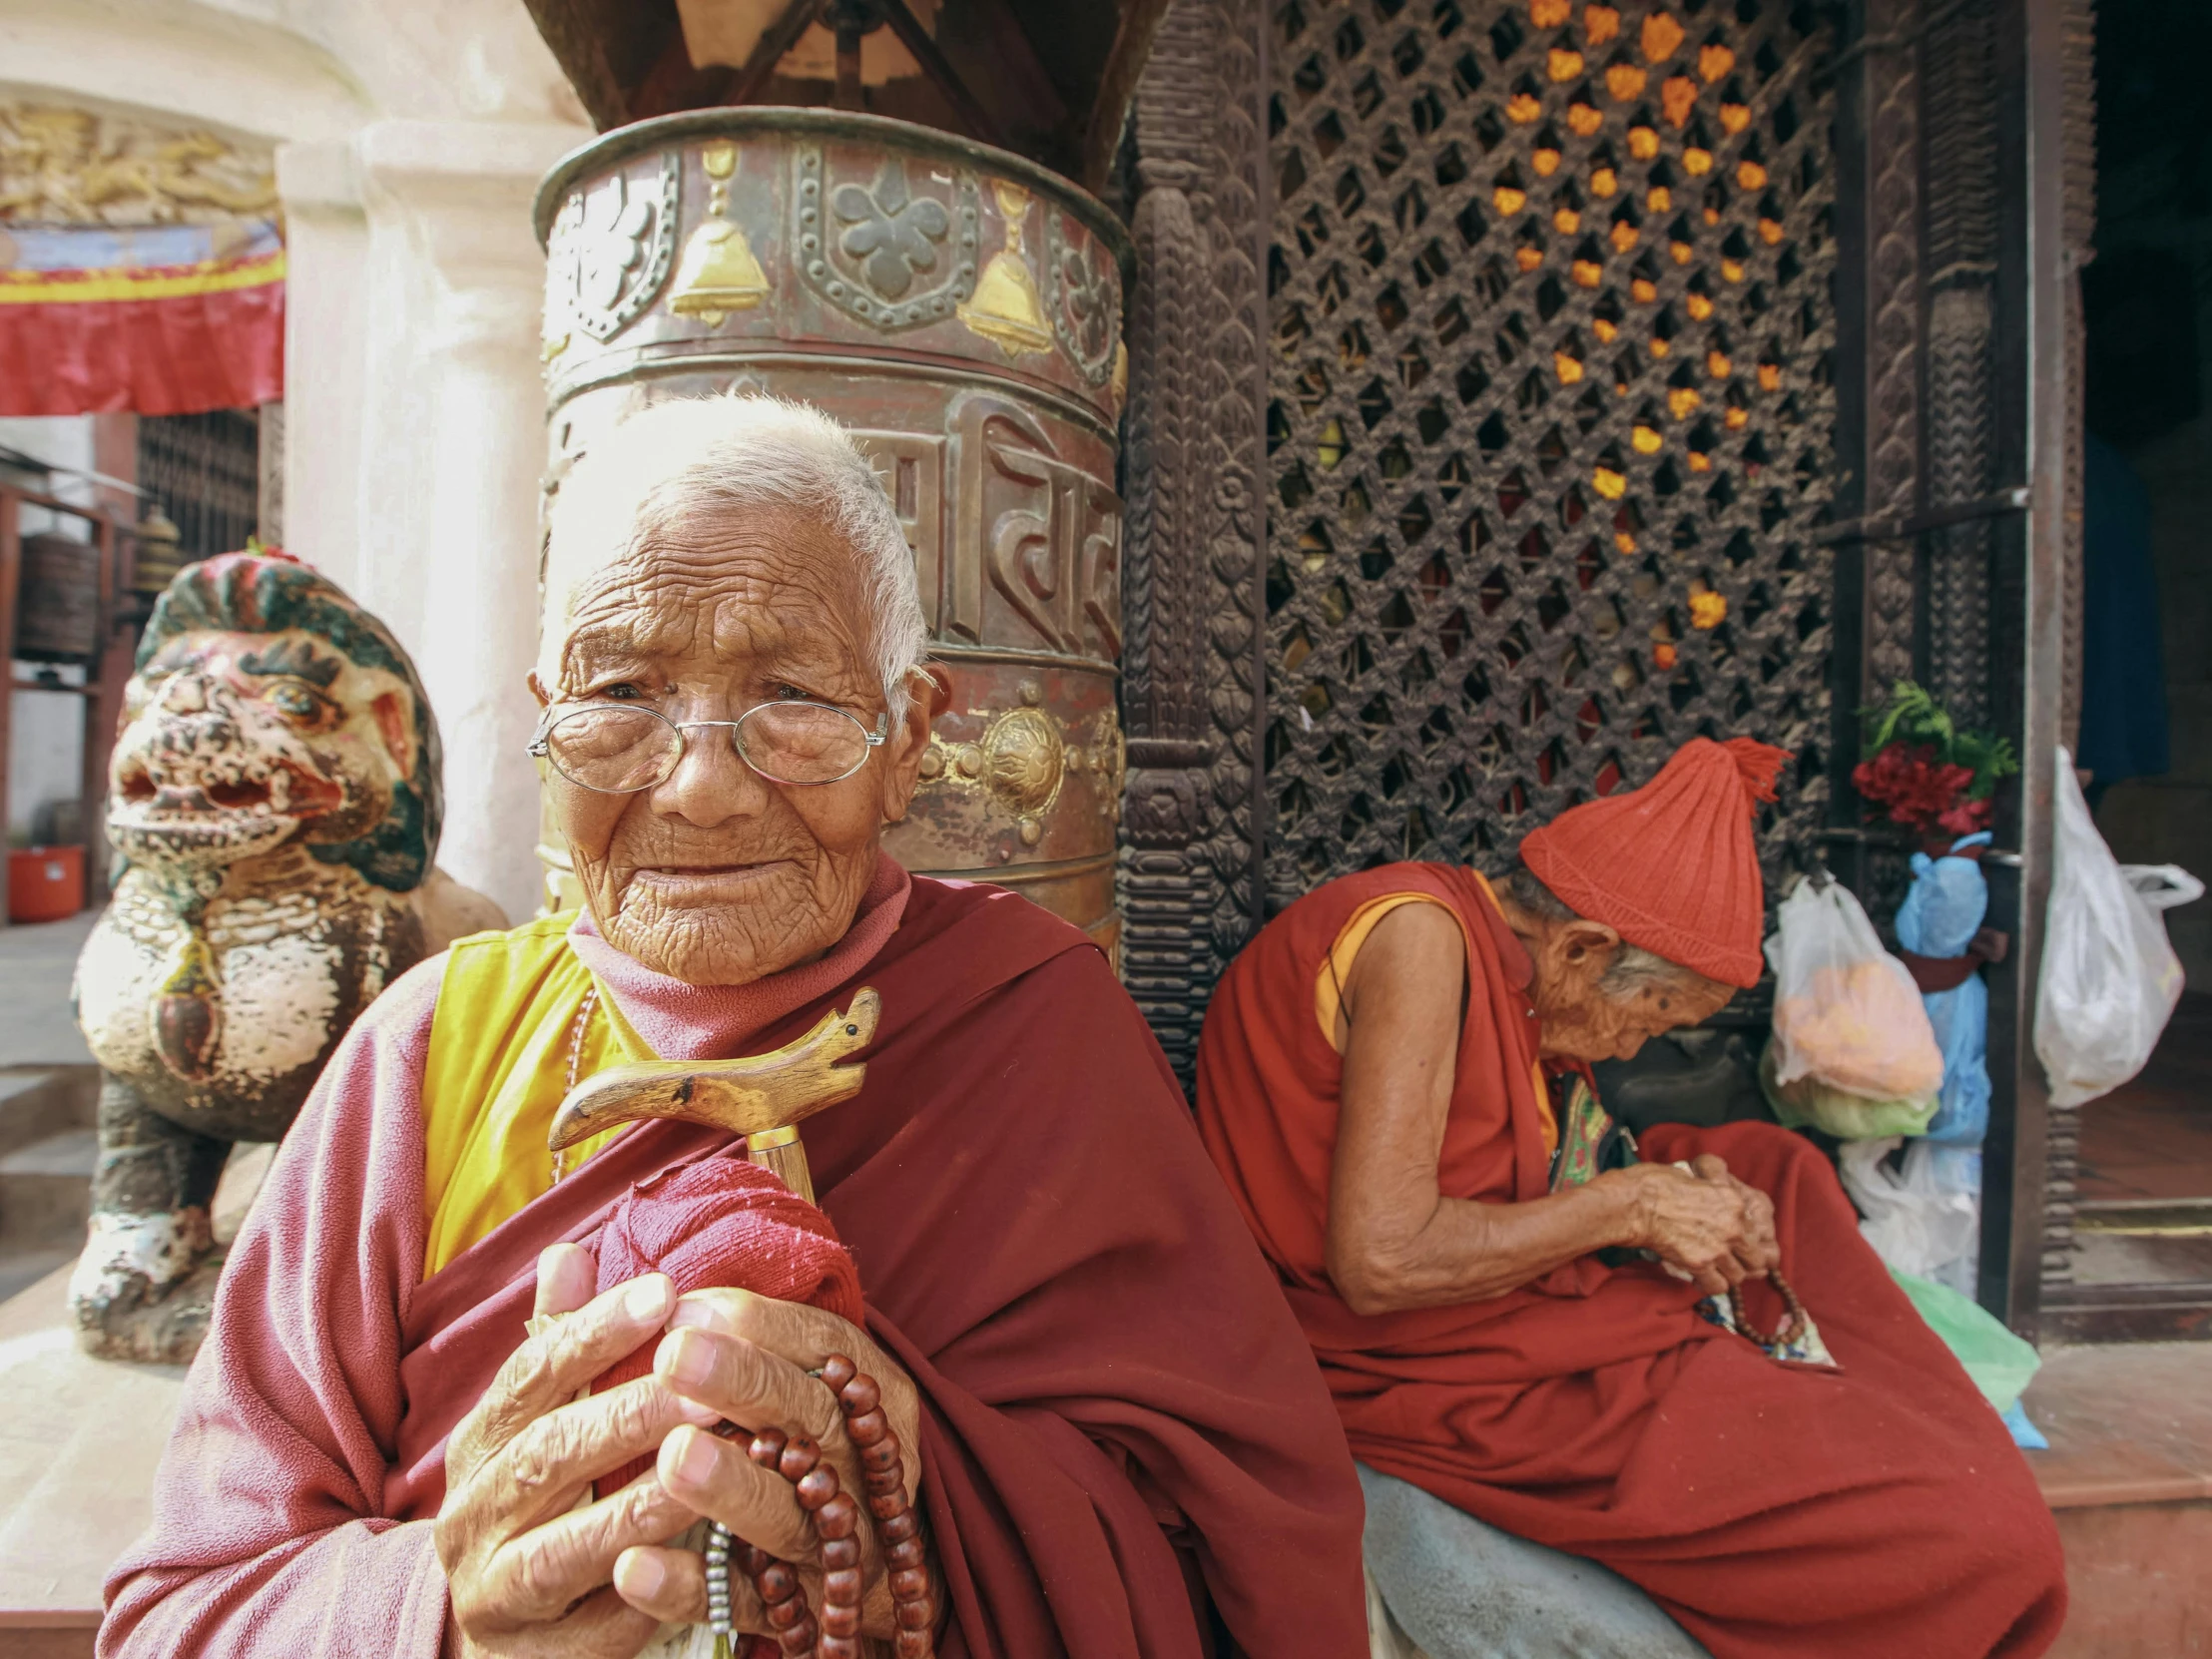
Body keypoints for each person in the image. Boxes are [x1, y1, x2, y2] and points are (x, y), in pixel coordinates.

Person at [101, 394, 1367, 1658]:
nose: (700, 788)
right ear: (550, 725)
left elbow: (1239, 1551)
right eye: (621, 694)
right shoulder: (430, 1047)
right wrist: (442, 1609)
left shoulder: (1031, 1017)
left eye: (793, 696)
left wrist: (936, 1512)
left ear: (907, 738)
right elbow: (184, 1610)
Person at [1195, 738, 2068, 1659]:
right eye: (1653, 1016)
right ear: (1582, 946)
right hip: (1414, 1361)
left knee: (1771, 1169)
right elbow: (1383, 1260)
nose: (1633, 1048)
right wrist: (1635, 1209)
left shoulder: (1520, 979)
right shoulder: (1419, 943)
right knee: (1972, 1545)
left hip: (1517, 1320)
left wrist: (1678, 1191)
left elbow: (1526, 1155)